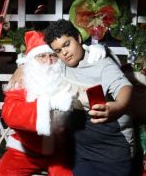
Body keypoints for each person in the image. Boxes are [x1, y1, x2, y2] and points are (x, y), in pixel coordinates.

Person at [0, 30, 106, 176]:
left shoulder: (64, 74)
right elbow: (10, 113)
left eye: (52, 55)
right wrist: (49, 104)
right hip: (24, 151)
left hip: (59, 150)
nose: (48, 61)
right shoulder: (22, 81)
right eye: (41, 56)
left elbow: (77, 57)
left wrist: (94, 52)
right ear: (32, 59)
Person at [44, 19, 135, 176]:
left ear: (78, 38)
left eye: (67, 44)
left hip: (113, 154)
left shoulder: (101, 63)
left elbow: (124, 87)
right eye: (58, 51)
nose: (64, 53)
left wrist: (117, 107)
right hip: (82, 153)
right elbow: (35, 57)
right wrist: (21, 69)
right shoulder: (61, 66)